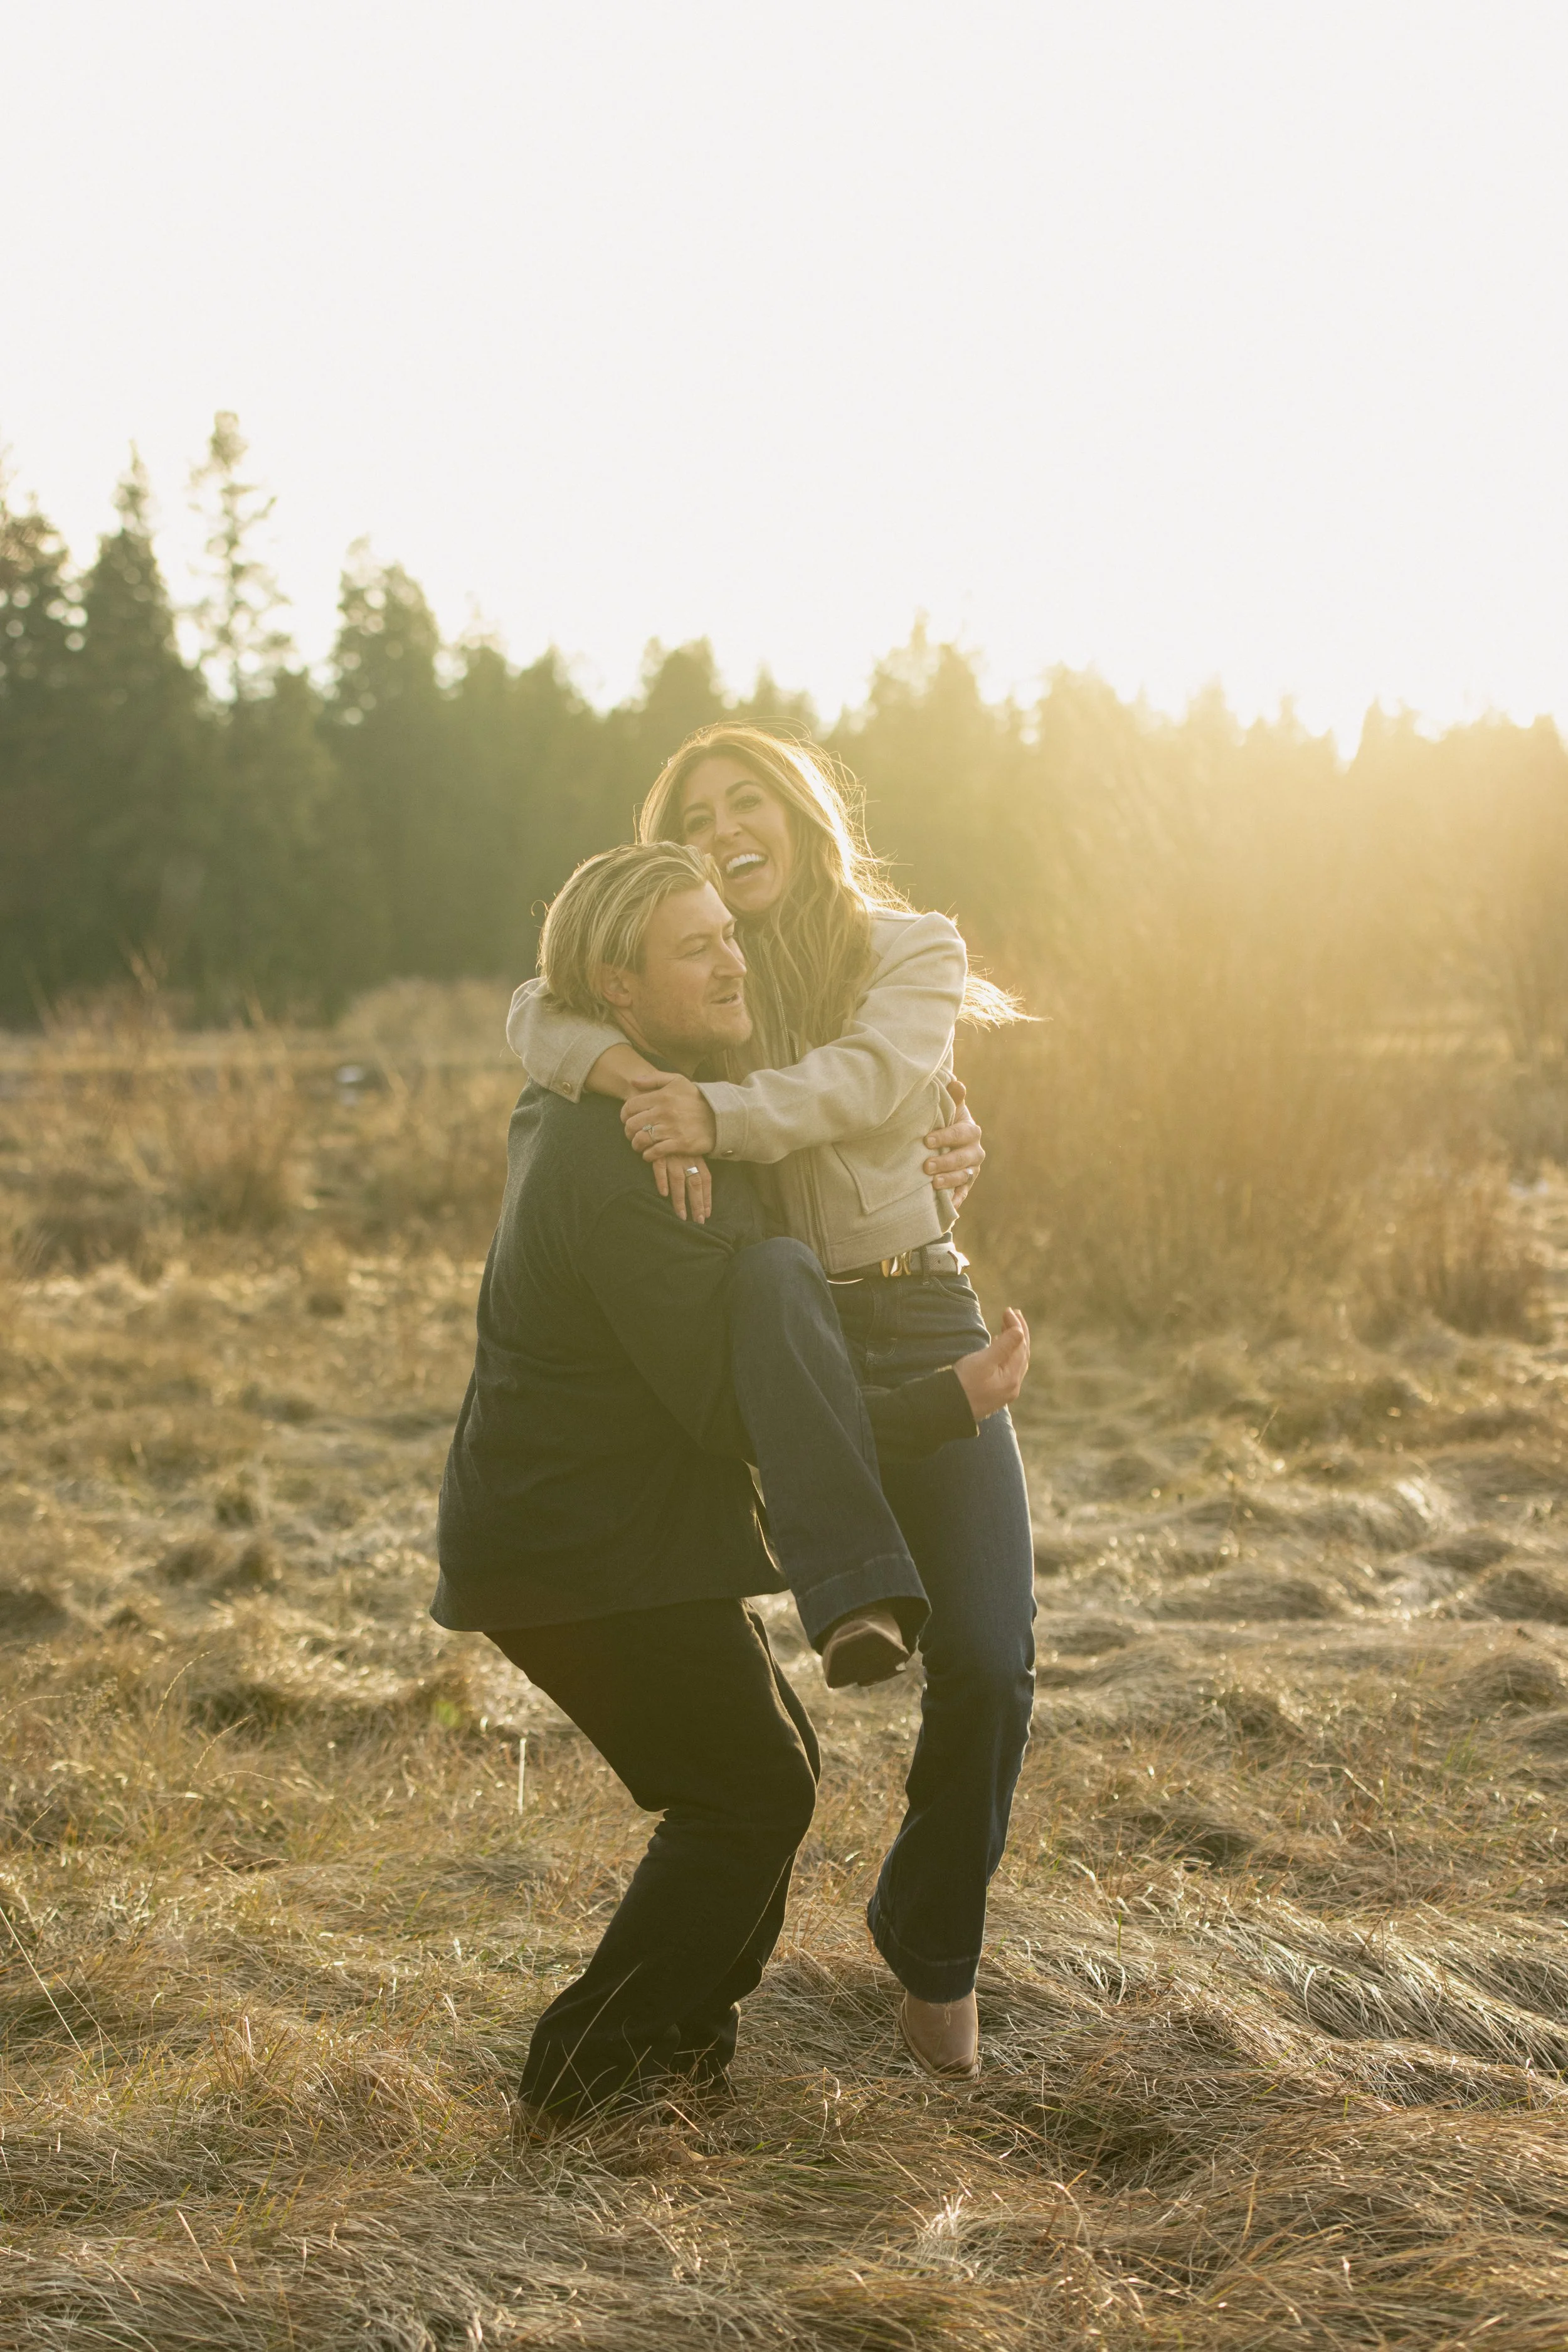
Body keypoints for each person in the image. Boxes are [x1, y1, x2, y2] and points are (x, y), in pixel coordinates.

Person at [436, 840, 1027, 2121]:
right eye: (693, 946)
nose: (729, 958)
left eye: (727, 933)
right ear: (619, 986)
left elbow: (852, 1098)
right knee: (745, 1793)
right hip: (574, 1555)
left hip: (610, 1537)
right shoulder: (619, 1162)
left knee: (764, 1771)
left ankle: (679, 2057)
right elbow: (737, 1415)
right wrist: (951, 1400)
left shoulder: (660, 1102)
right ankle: (589, 2074)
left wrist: (943, 1127)